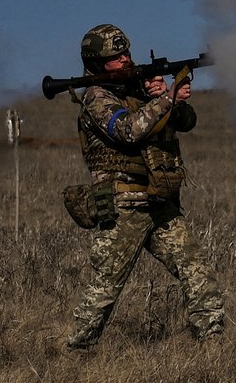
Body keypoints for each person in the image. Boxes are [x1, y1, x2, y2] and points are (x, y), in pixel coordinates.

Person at [64, 24, 225, 350]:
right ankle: (75, 352)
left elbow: (186, 122)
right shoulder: (97, 99)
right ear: (97, 64)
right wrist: (166, 97)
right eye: (115, 57)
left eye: (126, 53)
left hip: (158, 200)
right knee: (106, 288)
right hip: (123, 206)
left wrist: (171, 99)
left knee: (196, 270)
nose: (125, 59)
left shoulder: (137, 92)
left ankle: (213, 346)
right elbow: (129, 130)